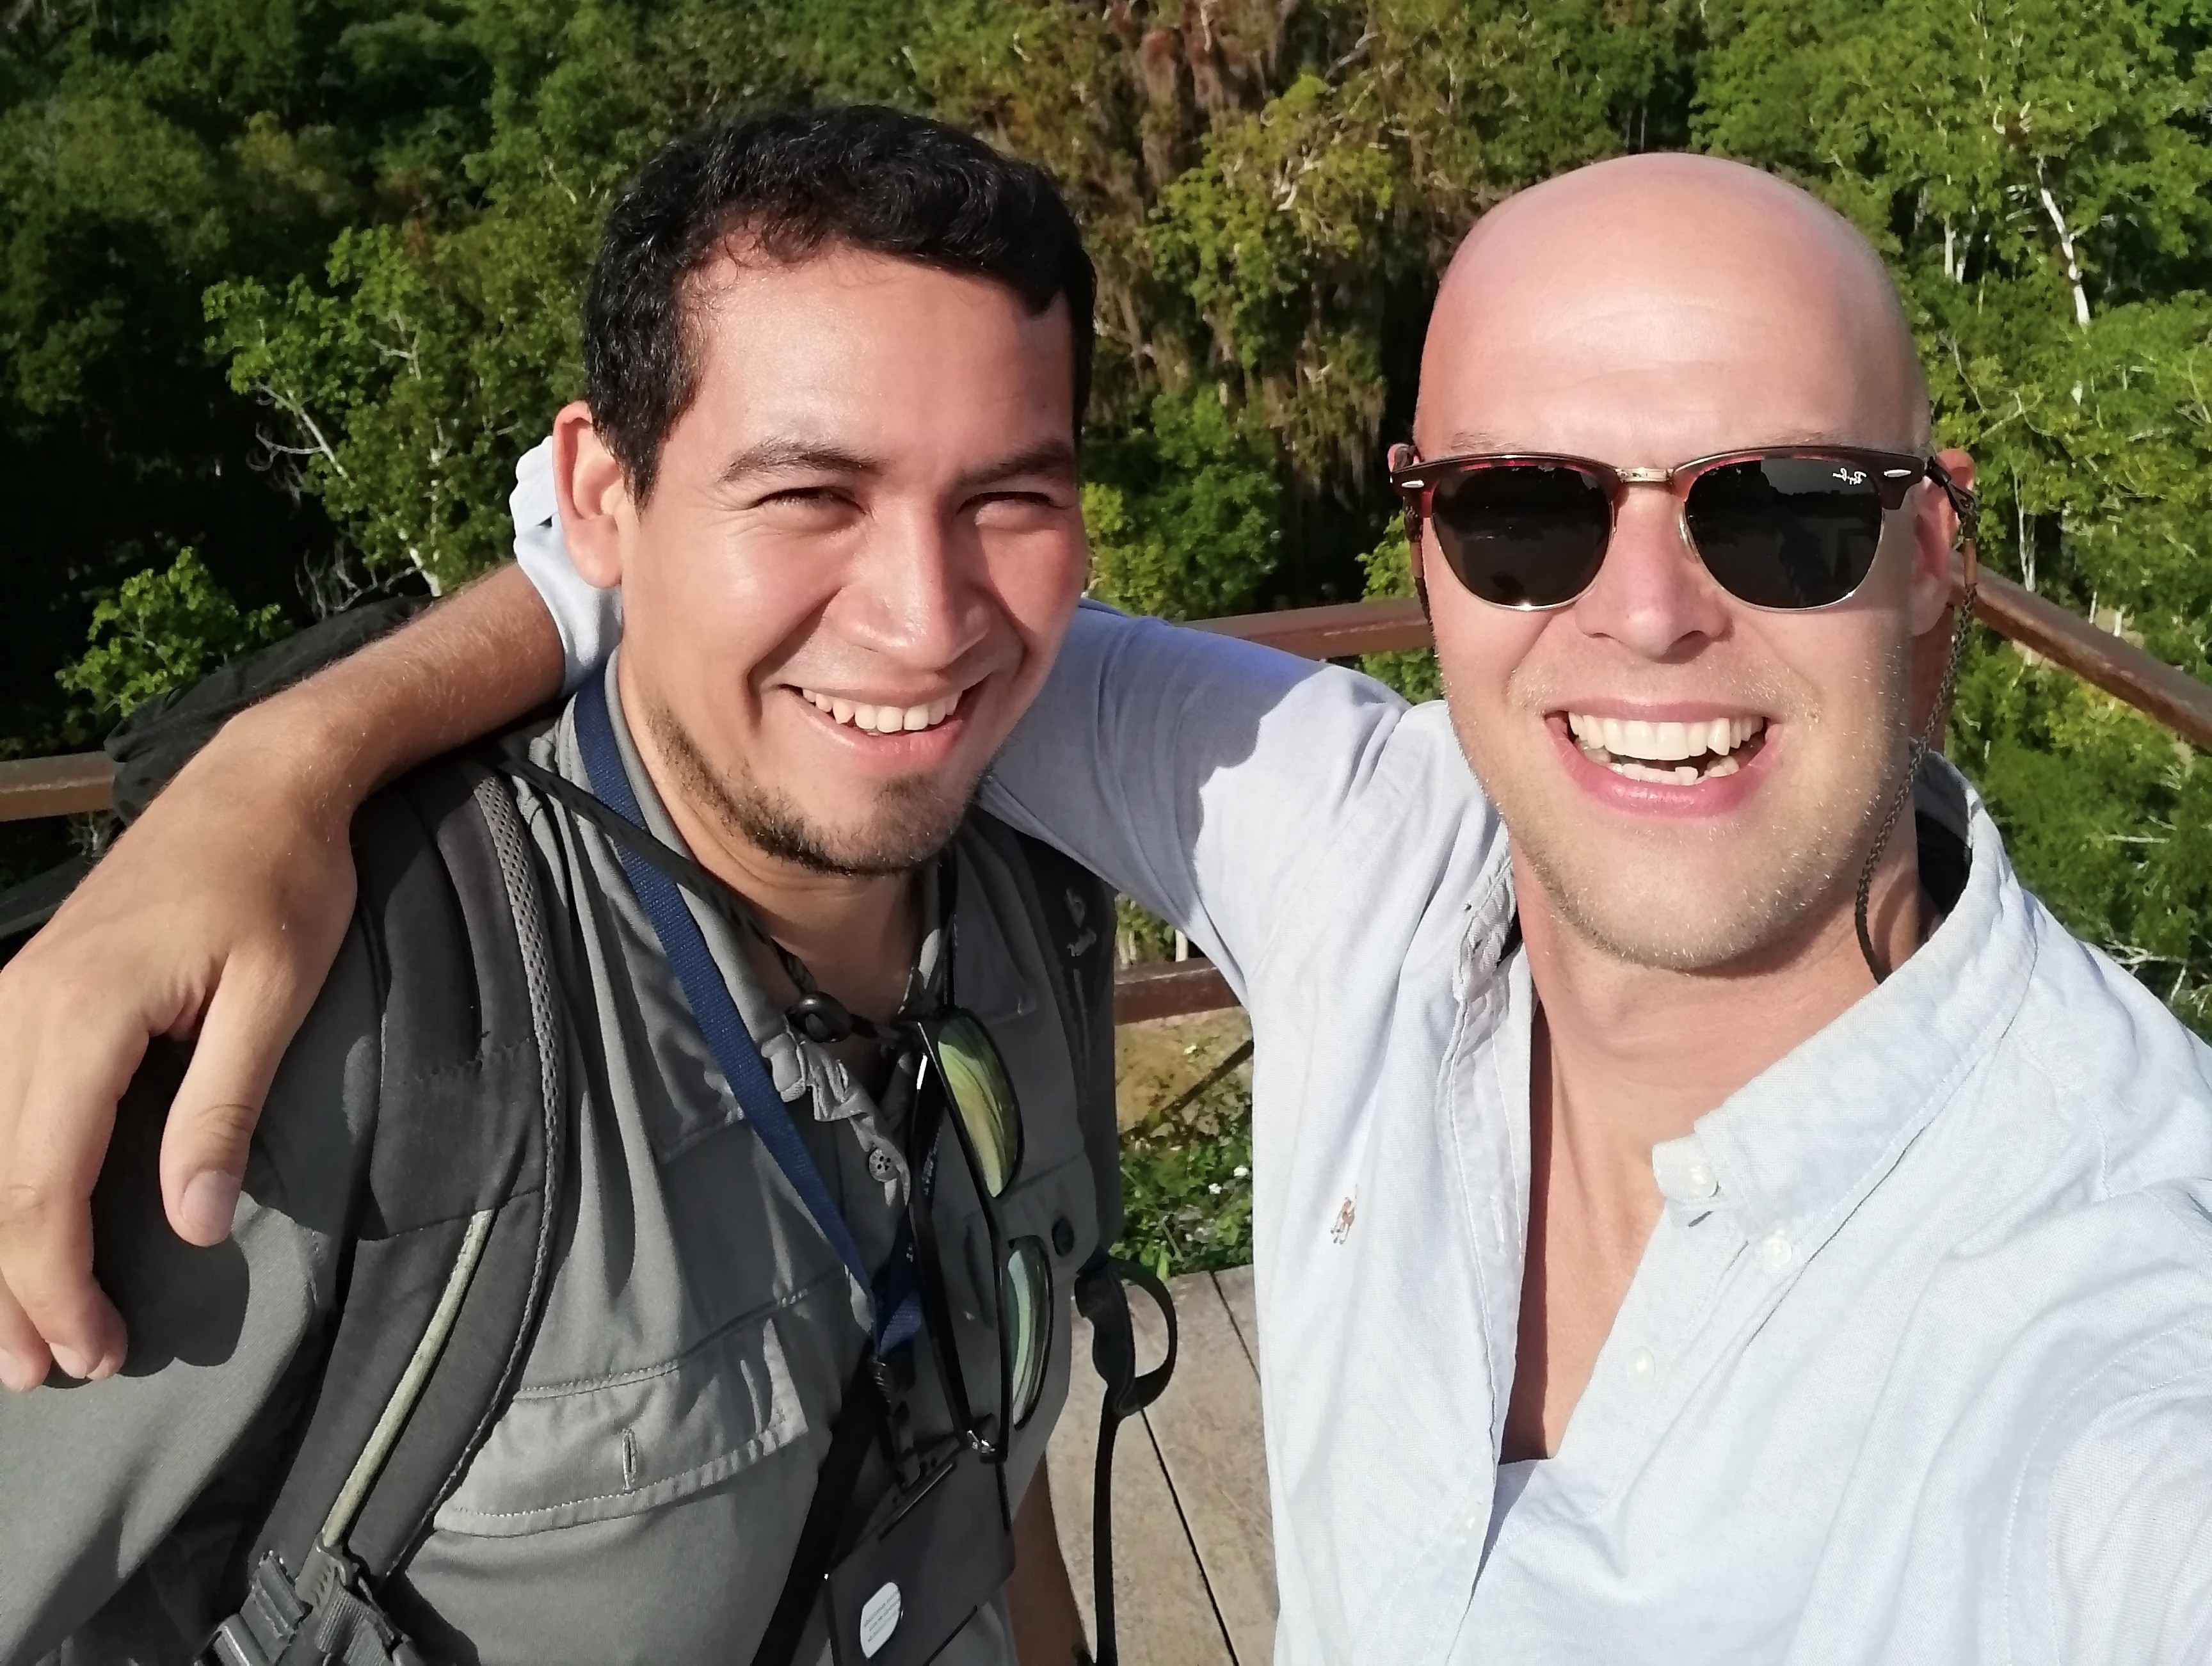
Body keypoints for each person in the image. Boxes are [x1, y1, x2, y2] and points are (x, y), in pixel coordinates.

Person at [7, 150, 2212, 1662]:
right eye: (1527, 508)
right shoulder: (1355, 826)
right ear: (1425, 544)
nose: (1642, 614)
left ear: (1934, 544)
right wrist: (269, 772)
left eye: (1782, 509)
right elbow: (672, 570)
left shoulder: (2119, 1334)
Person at [0, 104, 1122, 1665]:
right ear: (600, 495)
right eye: (809, 496)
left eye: (1009, 498)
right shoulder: (333, 1033)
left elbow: (996, 1482)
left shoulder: (1034, 910)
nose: (927, 622)